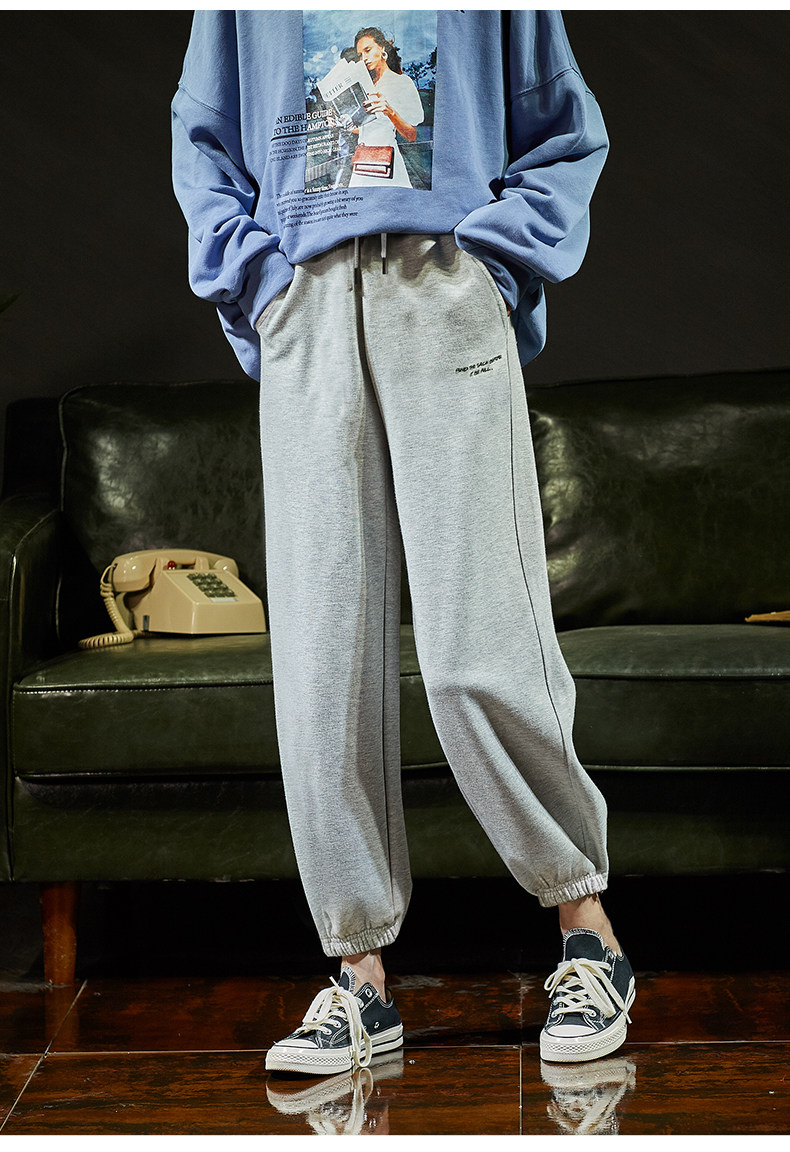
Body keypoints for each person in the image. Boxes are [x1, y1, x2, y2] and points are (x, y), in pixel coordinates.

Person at [171, 9, 635, 1075]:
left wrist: (491, 266)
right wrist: (259, 282)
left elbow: (566, 130)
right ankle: (359, 980)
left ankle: (589, 936)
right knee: (324, 665)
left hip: (442, 288)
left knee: (481, 645)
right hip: (306, 304)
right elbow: (202, 135)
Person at [349, 27, 424, 189]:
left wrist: (389, 111)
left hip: (386, 163)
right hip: (362, 163)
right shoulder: (365, 86)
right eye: (360, 55)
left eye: (368, 50)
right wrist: (345, 125)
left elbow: (411, 135)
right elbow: (370, 129)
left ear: (382, 48)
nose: (364, 58)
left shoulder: (402, 82)